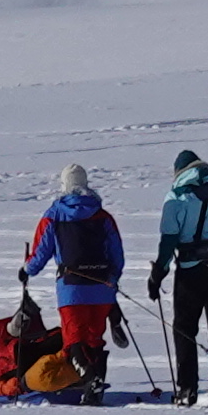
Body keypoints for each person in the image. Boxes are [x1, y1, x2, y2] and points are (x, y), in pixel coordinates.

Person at [146, 147, 208, 406]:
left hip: (191, 272)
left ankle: (187, 389)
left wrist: (158, 275)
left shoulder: (176, 198)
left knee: (185, 329)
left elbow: (168, 241)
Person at [21, 161, 127, 396]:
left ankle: (90, 380)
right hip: (102, 288)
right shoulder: (103, 216)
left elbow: (40, 254)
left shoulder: (55, 214)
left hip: (72, 290)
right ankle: (94, 389)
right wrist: (112, 280)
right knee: (94, 339)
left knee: (74, 342)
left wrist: (26, 270)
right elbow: (117, 255)